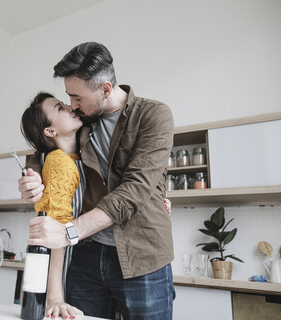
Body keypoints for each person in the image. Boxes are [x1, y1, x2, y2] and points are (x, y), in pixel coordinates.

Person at [19, 42, 175, 320]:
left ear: (105, 89)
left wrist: (68, 232)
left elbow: (136, 189)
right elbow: (47, 147)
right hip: (86, 256)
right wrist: (32, 177)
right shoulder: (82, 122)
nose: (72, 105)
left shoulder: (154, 116)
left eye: (77, 97)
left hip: (143, 255)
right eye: (68, 98)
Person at [20, 92, 85, 319]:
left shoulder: (76, 159)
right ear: (50, 131)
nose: (69, 107)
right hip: (66, 275)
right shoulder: (59, 163)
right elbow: (56, 229)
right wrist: (56, 297)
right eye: (60, 108)